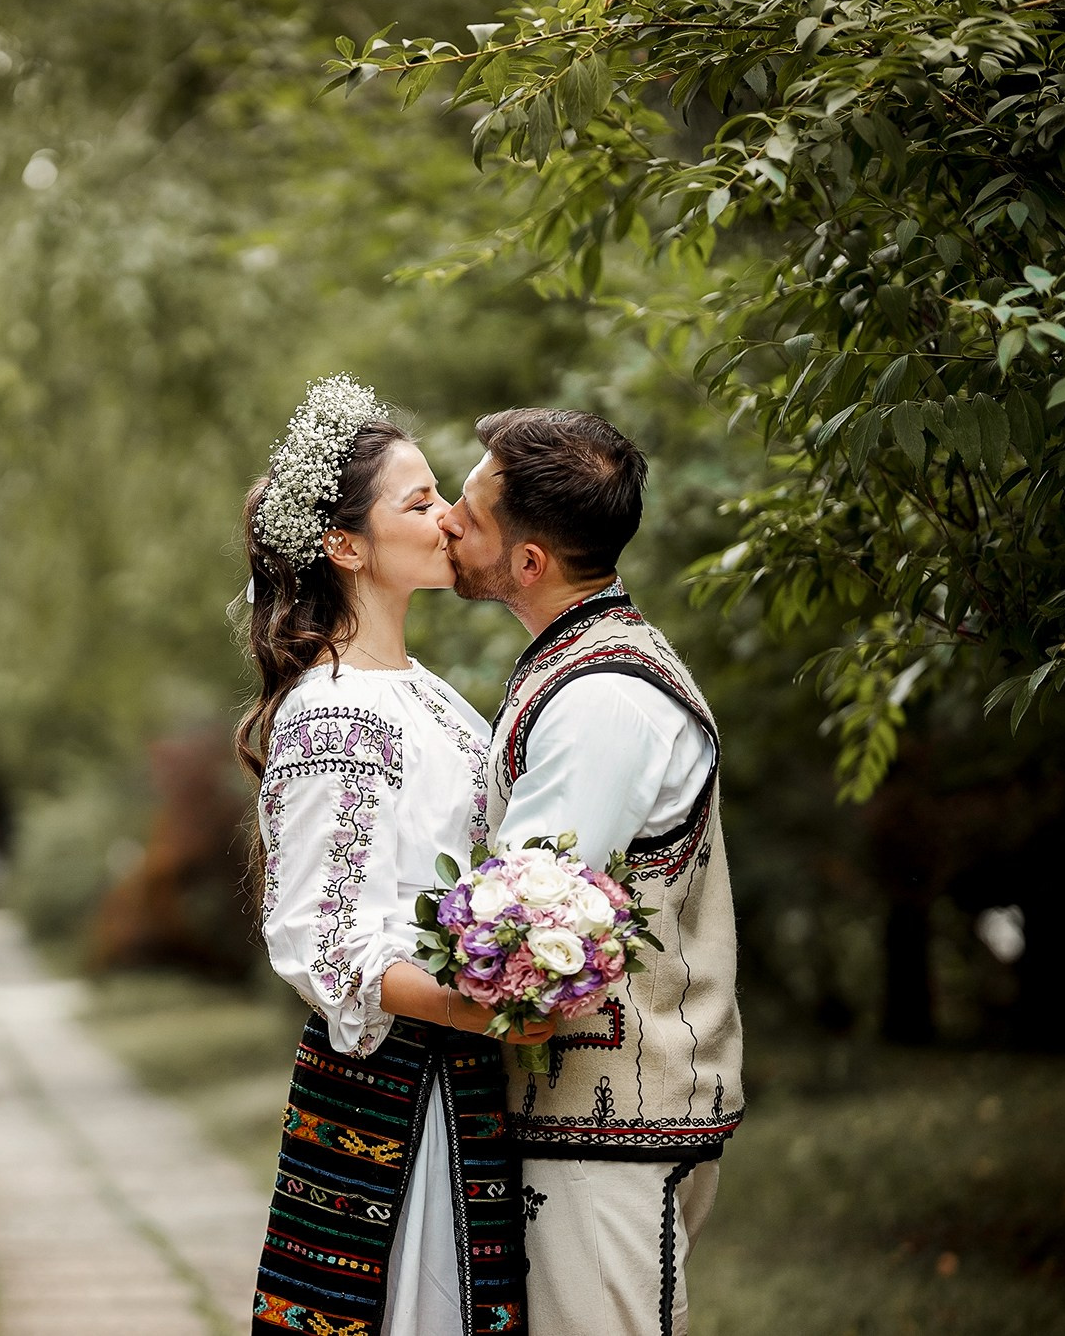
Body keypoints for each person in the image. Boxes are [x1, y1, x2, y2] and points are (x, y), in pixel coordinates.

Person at [241, 375, 548, 1336]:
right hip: (393, 1098)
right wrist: (485, 1006)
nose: (453, 518)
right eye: (419, 503)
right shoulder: (334, 709)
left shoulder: (427, 692)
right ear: (344, 545)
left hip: (458, 1080)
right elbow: (322, 944)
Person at [440, 408, 744, 1336]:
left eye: (470, 510)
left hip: (610, 1128)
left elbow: (525, 929)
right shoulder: (577, 666)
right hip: (589, 1124)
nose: (447, 520)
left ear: (529, 564)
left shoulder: (601, 701)